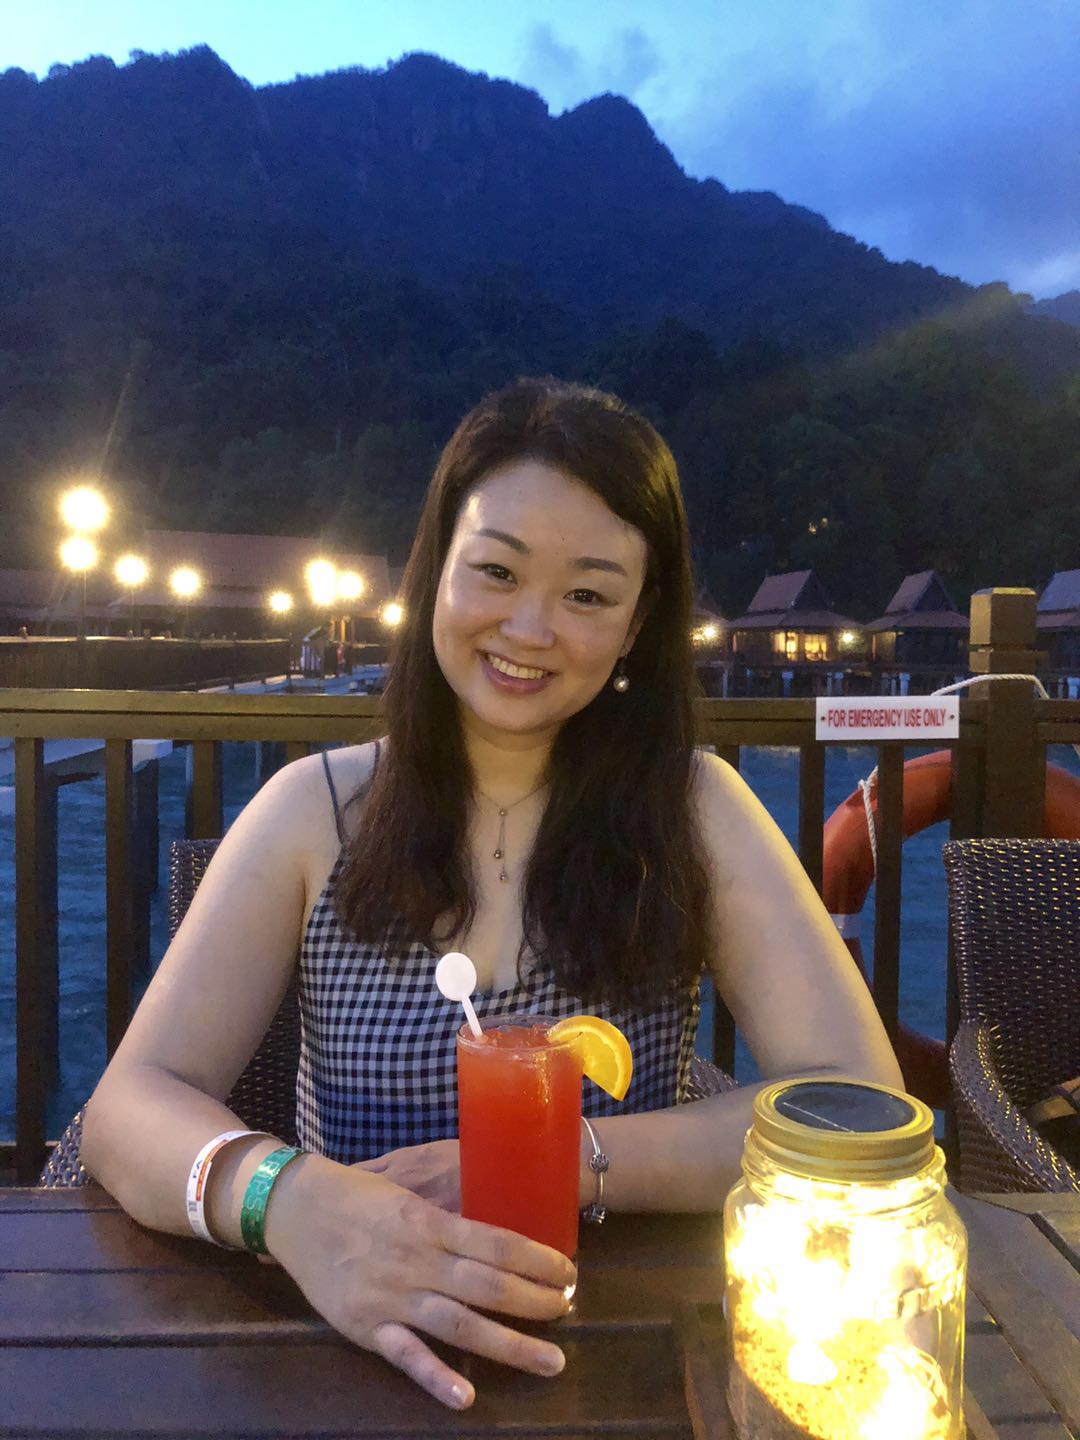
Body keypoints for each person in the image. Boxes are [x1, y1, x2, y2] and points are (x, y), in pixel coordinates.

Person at [83, 377, 901, 1411]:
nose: (530, 626)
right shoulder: (313, 813)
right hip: (352, 1347)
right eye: (497, 572)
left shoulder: (694, 811)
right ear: (436, 572)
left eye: (587, 595)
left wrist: (564, 1160)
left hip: (621, 1343)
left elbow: (859, 1104)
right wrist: (283, 1201)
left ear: (638, 624)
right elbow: (128, 1105)